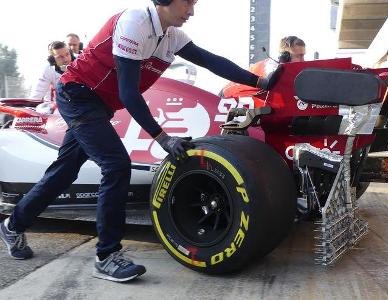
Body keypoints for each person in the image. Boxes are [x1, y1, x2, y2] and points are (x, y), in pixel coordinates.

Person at [0, 0, 277, 283]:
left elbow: (211, 61)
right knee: (117, 166)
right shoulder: (135, 23)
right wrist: (163, 138)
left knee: (64, 171)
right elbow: (129, 94)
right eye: (187, 3)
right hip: (78, 95)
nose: (191, 12)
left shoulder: (172, 35)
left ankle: (13, 225)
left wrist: (261, 82)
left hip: (97, 105)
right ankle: (106, 256)